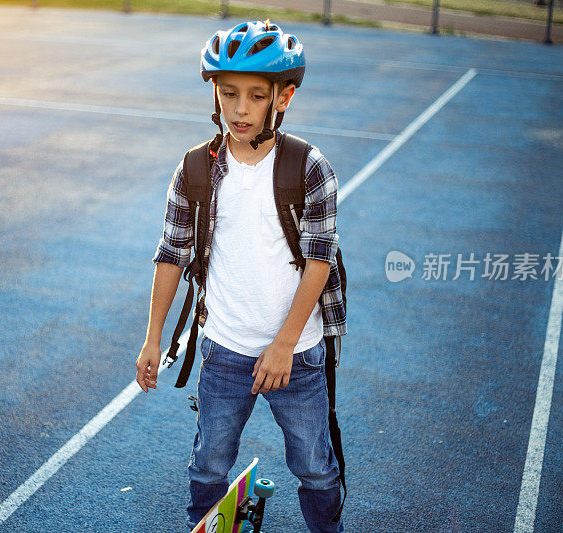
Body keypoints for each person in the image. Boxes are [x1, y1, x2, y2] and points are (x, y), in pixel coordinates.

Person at [135, 20, 347, 533]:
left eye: (256, 95)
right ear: (214, 93)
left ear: (284, 97)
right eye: (228, 93)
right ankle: (202, 526)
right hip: (225, 350)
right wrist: (152, 339)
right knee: (208, 463)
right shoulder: (195, 169)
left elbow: (320, 260)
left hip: (296, 355)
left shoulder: (309, 166)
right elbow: (171, 253)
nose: (240, 108)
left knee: (316, 470)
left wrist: (284, 344)